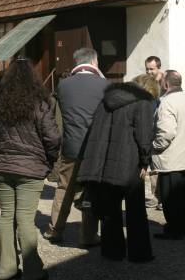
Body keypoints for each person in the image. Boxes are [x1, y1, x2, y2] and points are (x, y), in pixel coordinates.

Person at [0, 58, 61, 280]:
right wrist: (49, 160)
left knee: (6, 216)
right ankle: (33, 272)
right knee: (25, 219)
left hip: (1, 166)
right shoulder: (40, 104)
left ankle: (7, 270)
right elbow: (53, 138)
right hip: (30, 169)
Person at [77, 74, 158, 262]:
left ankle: (112, 251)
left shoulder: (106, 100)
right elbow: (144, 137)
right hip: (130, 163)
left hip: (104, 163)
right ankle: (139, 254)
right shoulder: (143, 102)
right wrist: (145, 162)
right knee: (136, 211)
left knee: (110, 210)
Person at [43, 48, 107, 246]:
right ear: (94, 62)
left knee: (64, 188)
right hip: (95, 148)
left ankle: (55, 229)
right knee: (91, 190)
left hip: (71, 145)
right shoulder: (104, 85)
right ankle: (88, 235)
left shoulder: (63, 85)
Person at [152, 70, 185, 239]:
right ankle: (184, 229)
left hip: (170, 159)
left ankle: (174, 230)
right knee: (184, 198)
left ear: (165, 84)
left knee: (170, 198)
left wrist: (154, 146)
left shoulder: (166, 102)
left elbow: (166, 133)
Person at [144, 55, 164, 209]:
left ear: (159, 68)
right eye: (147, 69)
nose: (149, 72)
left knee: (161, 165)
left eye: (152, 69)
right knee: (153, 166)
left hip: (161, 129)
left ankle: (164, 198)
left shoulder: (165, 83)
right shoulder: (147, 83)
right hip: (149, 128)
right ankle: (156, 196)